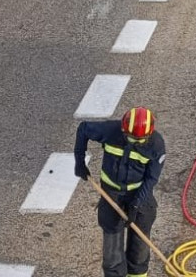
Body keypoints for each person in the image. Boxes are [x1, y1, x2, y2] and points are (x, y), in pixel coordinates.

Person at [74, 107, 166, 277]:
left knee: (140, 247)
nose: (133, 142)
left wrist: (136, 204)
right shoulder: (110, 131)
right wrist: (79, 161)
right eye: (129, 137)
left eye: (138, 140)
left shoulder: (156, 146)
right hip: (112, 196)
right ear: (123, 129)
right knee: (112, 250)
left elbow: (151, 179)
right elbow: (83, 129)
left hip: (140, 195)